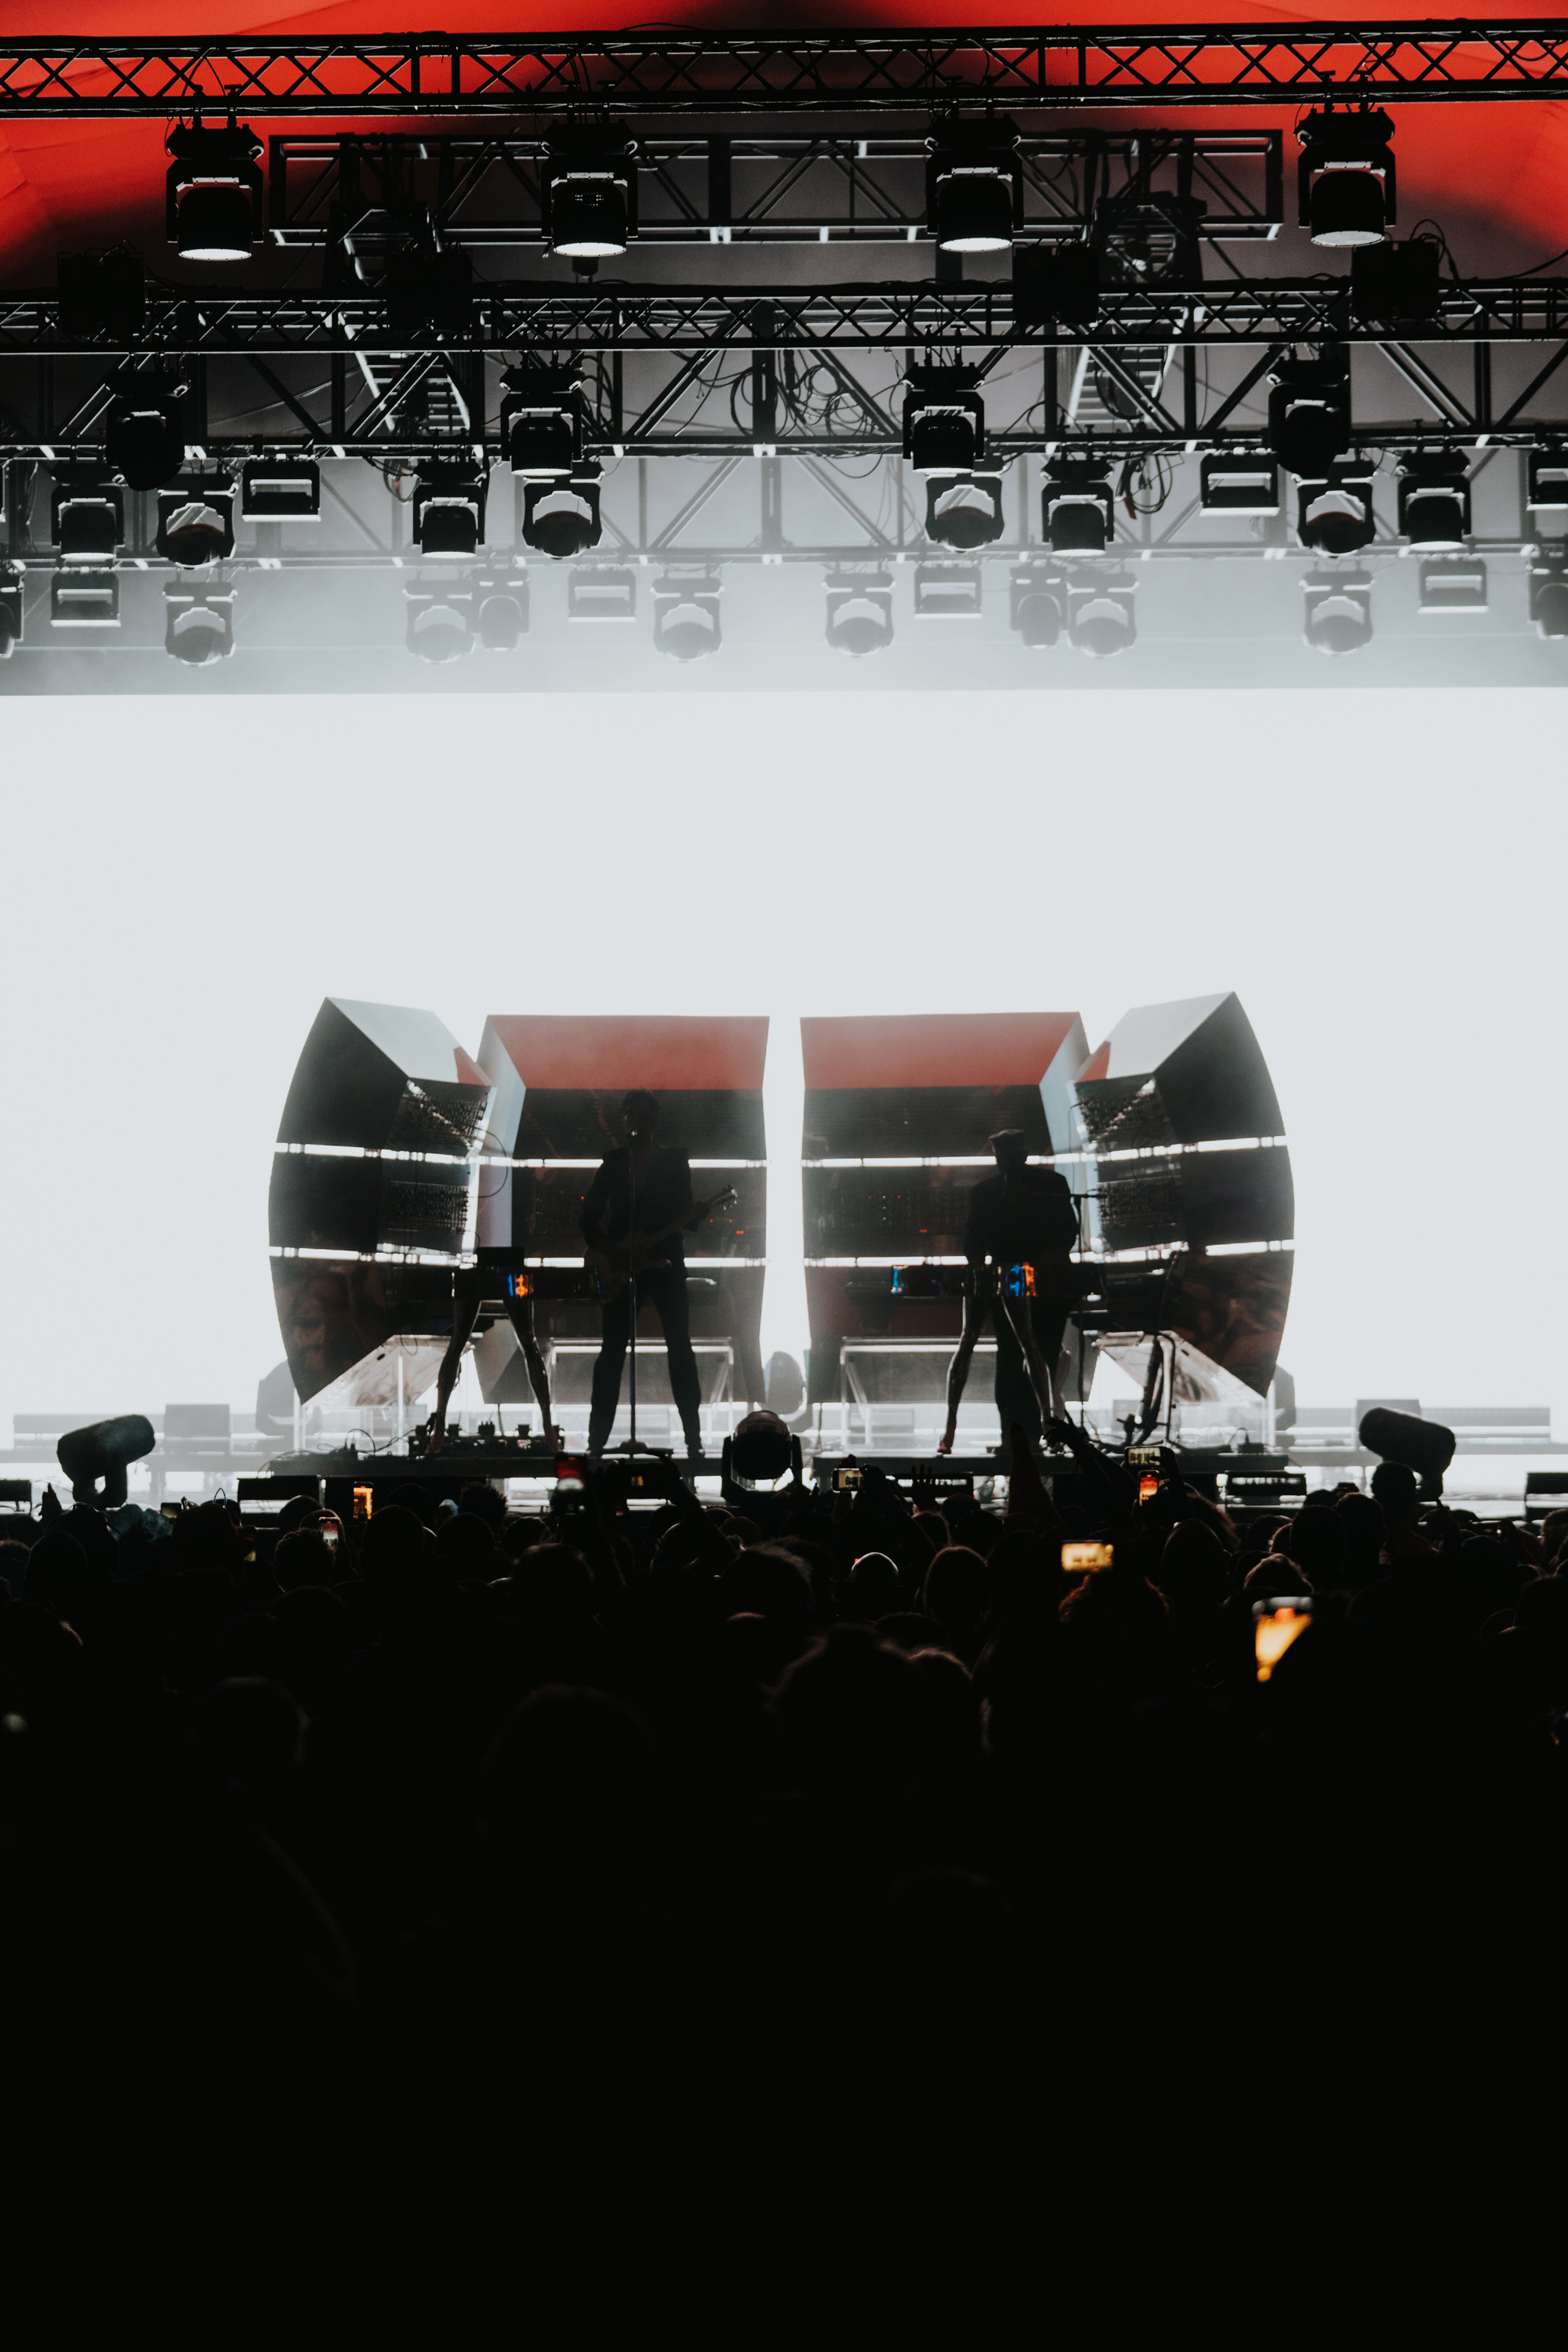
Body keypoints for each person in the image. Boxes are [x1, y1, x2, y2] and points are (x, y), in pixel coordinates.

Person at [580, 1089, 711, 1460]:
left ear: (653, 1121)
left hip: (665, 1263)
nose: (632, 1122)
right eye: (628, 1115)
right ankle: (595, 1443)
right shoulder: (614, 1163)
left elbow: (684, 1211)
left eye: (639, 1115)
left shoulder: (674, 1161)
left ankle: (693, 1440)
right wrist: (611, 1251)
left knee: (680, 1348)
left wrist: (693, 1214)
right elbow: (588, 1219)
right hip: (624, 1265)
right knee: (612, 1352)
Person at [938, 1130, 1080, 1457]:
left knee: (1026, 1350)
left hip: (1036, 1279)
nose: (1004, 1164)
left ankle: (1030, 1433)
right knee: (1022, 1353)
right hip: (1014, 1275)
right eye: (1001, 1158)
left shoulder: (1032, 1187)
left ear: (1021, 1156)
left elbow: (1066, 1233)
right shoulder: (1002, 1189)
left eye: (1007, 1158)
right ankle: (1025, 1434)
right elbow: (973, 1243)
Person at [426, 1265, 557, 1456]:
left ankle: (438, 1430)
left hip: (480, 1268)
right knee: (529, 1343)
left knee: (457, 1345)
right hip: (498, 1268)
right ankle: (549, 1429)